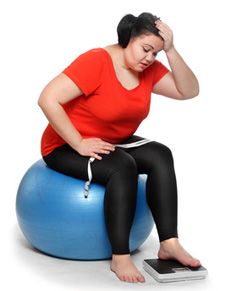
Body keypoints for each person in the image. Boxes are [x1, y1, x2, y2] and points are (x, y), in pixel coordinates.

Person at [38, 12, 201, 283]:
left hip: (111, 139)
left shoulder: (146, 68)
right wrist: (78, 142)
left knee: (161, 154)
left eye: (155, 54)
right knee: (122, 166)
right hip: (64, 145)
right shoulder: (96, 61)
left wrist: (170, 51)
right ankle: (120, 257)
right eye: (145, 49)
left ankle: (169, 243)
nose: (149, 58)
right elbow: (47, 98)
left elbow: (189, 91)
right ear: (128, 38)